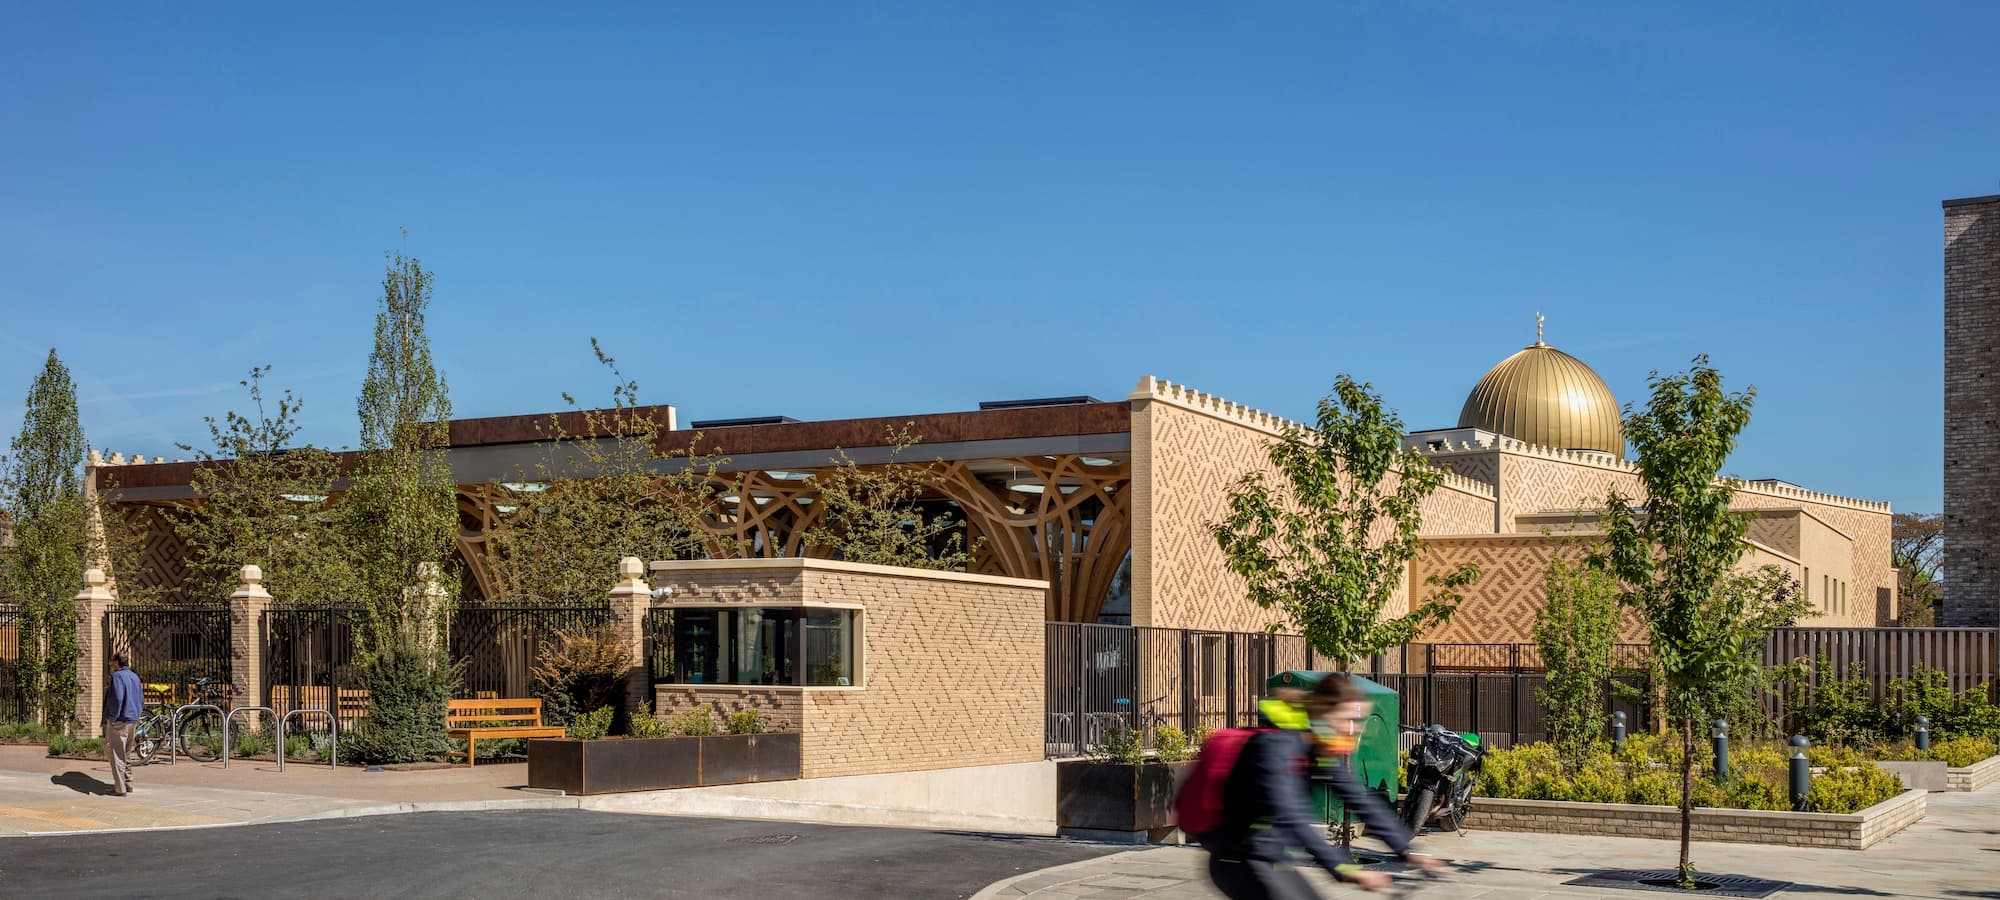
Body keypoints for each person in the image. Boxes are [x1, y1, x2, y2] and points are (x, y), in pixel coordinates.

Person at [1201, 674, 1440, 898]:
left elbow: (1358, 798)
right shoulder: (1276, 745)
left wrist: (1408, 850)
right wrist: (1344, 868)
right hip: (1236, 859)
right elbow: (1291, 817)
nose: (1353, 729)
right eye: (1348, 720)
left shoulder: (1314, 746)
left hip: (1269, 855)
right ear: (1325, 711)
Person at [103, 651, 144, 796]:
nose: (110, 663)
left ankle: (120, 788)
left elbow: (118, 698)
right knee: (126, 753)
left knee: (116, 754)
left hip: (120, 719)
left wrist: (112, 718)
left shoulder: (117, 677)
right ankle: (128, 783)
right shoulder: (135, 676)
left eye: (111, 660)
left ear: (116, 662)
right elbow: (141, 699)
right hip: (132, 719)